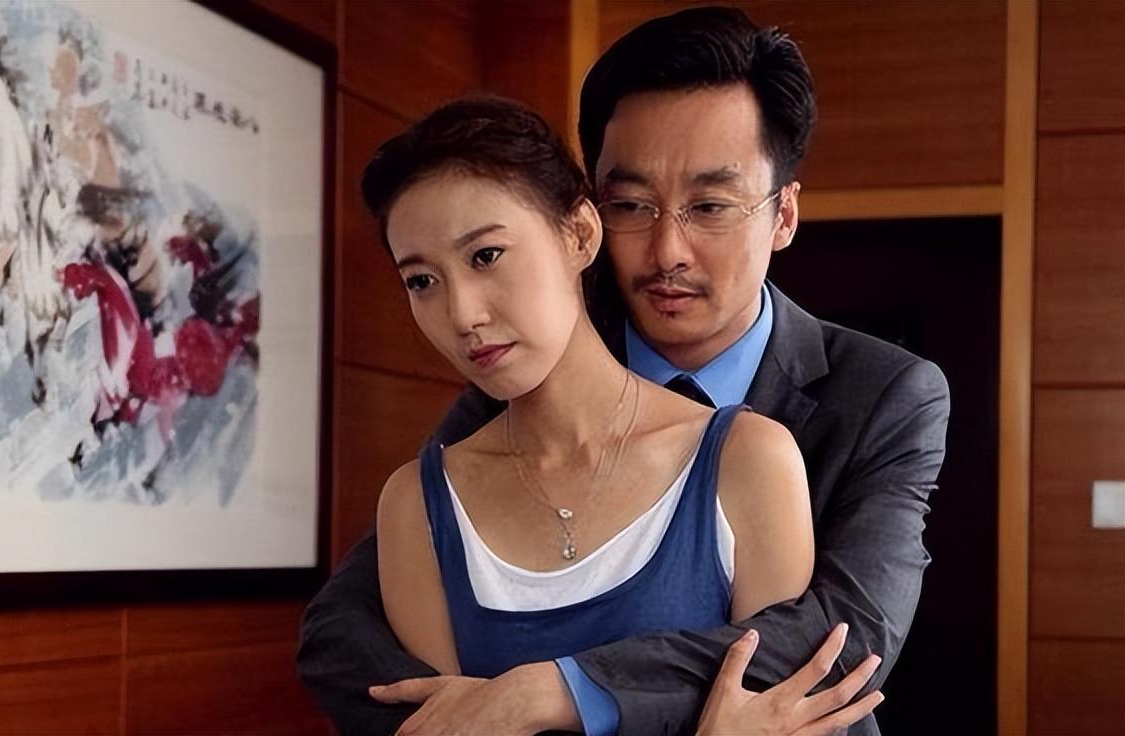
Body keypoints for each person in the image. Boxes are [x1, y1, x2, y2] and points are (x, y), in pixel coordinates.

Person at [298, 7, 950, 735]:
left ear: (783, 215)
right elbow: (343, 627)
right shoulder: (520, 367)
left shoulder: (878, 397)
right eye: (632, 204)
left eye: (710, 204)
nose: (667, 251)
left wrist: (554, 690)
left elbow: (841, 641)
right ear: (592, 216)